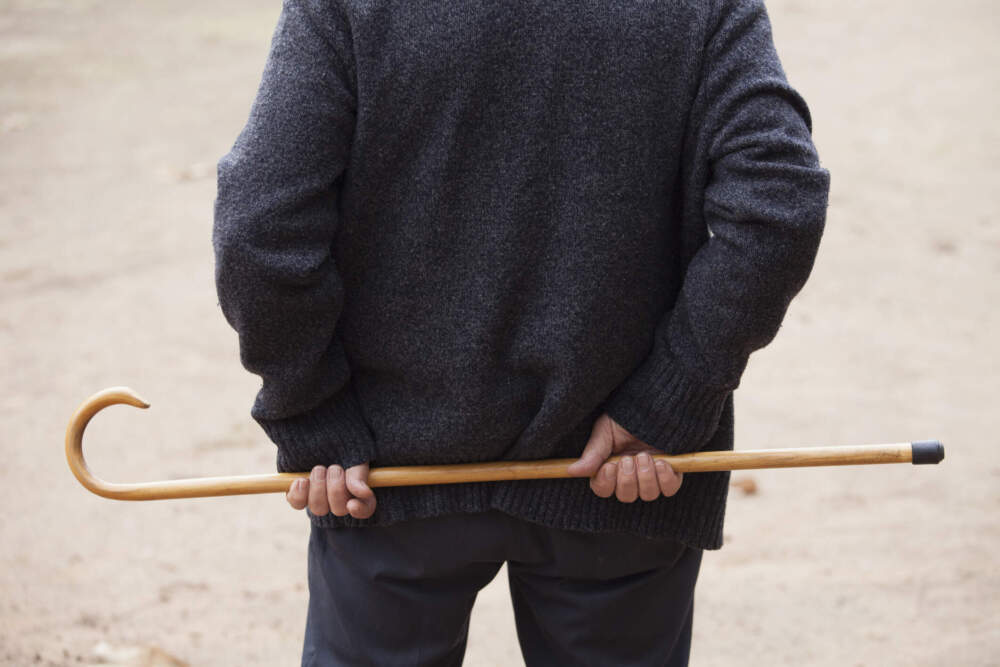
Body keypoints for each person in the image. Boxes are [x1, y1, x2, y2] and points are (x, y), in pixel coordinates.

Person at [213, 0, 829, 664]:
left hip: (401, 472)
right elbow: (780, 200)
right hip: (612, 471)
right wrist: (669, 399)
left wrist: (314, 412)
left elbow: (259, 225)